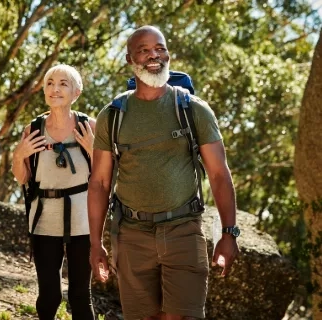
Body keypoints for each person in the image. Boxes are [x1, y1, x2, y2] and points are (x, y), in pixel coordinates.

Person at [87, 26, 240, 320]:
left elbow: (220, 174)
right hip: (131, 234)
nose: (153, 55)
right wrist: (96, 243)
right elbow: (100, 182)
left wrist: (229, 233)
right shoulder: (113, 114)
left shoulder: (193, 109)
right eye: (143, 50)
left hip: (184, 229)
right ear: (130, 60)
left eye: (159, 48)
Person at [12, 64, 96, 320]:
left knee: (81, 295)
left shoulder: (89, 126)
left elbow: (108, 175)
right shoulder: (34, 128)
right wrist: (19, 155)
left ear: (76, 92)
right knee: (48, 295)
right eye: (49, 83)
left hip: (83, 222)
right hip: (44, 221)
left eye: (63, 83)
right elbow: (23, 177)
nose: (55, 88)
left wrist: (94, 149)